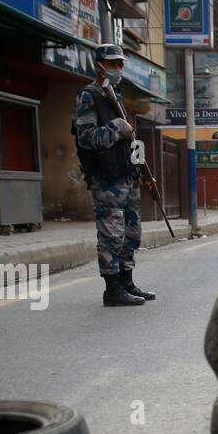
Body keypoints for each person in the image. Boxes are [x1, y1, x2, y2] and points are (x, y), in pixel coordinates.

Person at [71, 44, 156, 307]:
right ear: (99, 66)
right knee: (111, 233)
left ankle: (127, 281)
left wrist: (143, 172)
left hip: (126, 174)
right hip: (107, 178)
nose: (118, 69)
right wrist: (116, 127)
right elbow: (86, 138)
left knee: (132, 232)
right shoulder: (89, 96)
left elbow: (129, 141)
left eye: (121, 64)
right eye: (113, 64)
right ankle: (112, 289)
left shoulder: (114, 96)